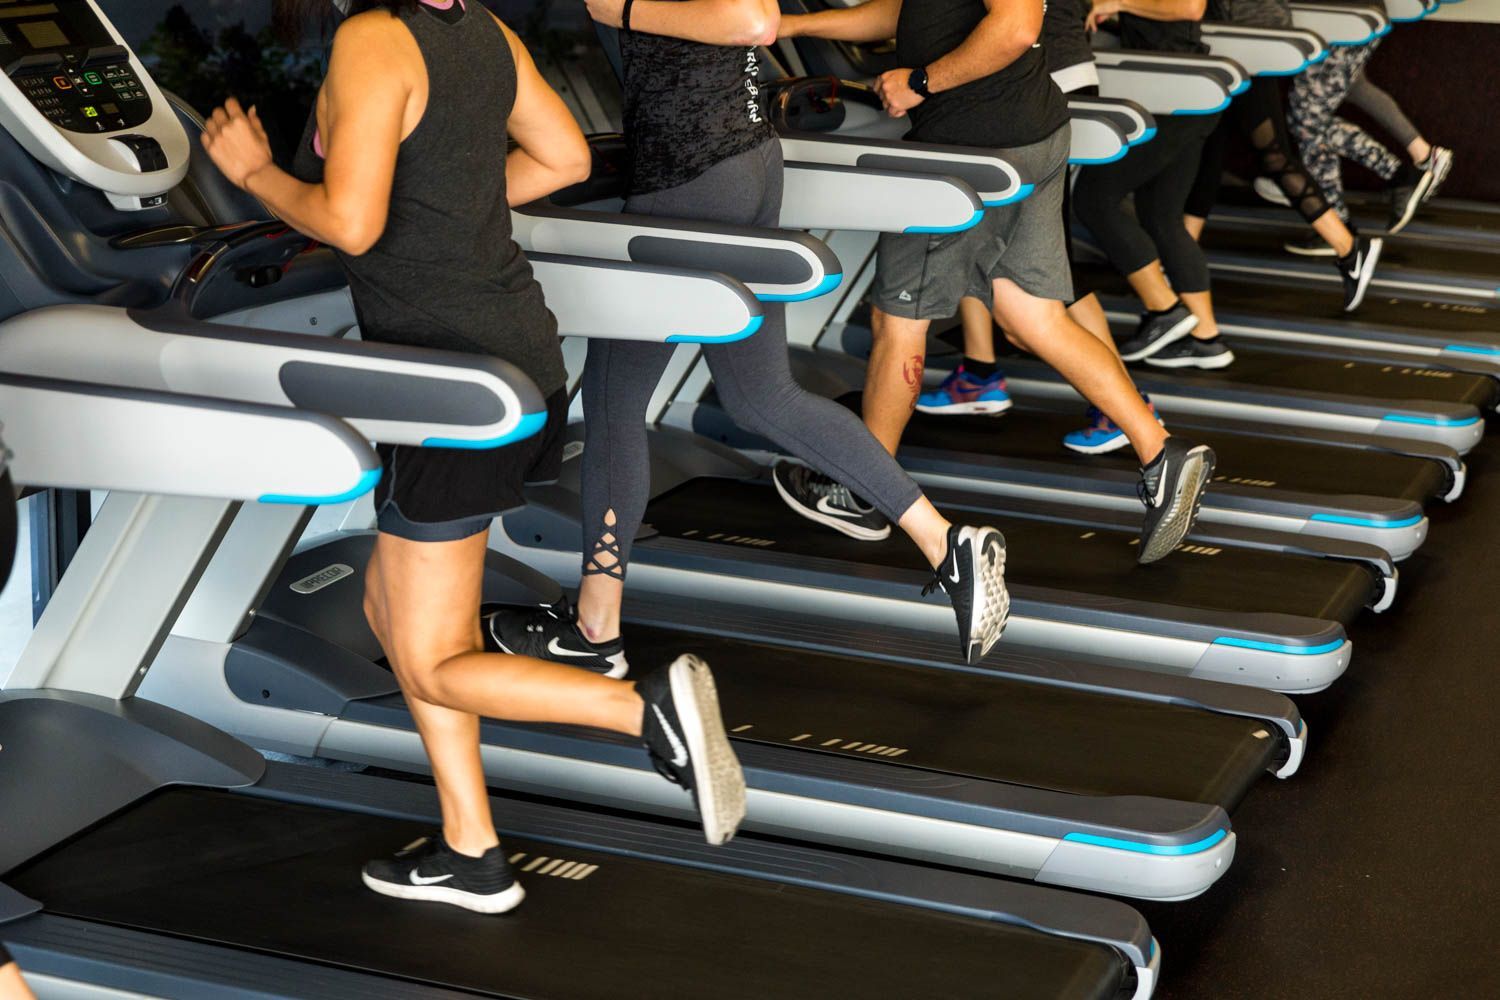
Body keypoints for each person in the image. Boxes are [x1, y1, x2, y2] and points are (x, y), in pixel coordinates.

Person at [201, 0, 748, 915]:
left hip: (449, 390)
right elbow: (565, 159)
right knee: (389, 607)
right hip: (516, 356)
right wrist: (449, 203)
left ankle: (645, 708)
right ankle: (471, 848)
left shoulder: (374, 38)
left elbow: (352, 224)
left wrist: (256, 172)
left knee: (429, 661)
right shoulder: (484, 30)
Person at [488, 0, 1011, 676]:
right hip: (750, 159)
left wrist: (617, 8)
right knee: (761, 396)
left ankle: (597, 628)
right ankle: (946, 542)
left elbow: (755, 22)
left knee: (615, 404)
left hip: (691, 173)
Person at [776, 0, 1215, 564]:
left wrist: (919, 81)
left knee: (899, 319)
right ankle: (1161, 454)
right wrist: (795, 24)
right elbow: (911, 12)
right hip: (1025, 133)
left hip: (970, 147)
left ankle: (861, 495)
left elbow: (1015, 26)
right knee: (1032, 313)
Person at [923, 0, 1182, 456]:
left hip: (1040, 82)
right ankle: (980, 372)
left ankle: (1125, 409)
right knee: (972, 231)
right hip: (1042, 77)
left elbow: (1013, 28)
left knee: (1049, 278)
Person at [1183, 0, 1383, 311]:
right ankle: (1178, 267)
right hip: (1237, 39)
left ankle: (1349, 247)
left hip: (1242, 40)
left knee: (1273, 156)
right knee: (1211, 151)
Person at [1071, 0, 1236, 371]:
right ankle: (1206, 339)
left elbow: (1191, 7)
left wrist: (1119, 3)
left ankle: (1165, 309)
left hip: (1175, 90)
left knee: (1094, 200)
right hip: (1179, 90)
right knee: (1161, 216)